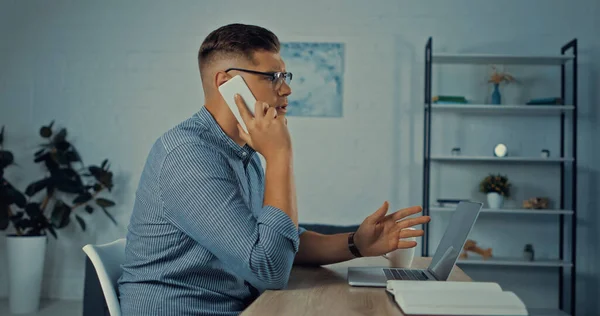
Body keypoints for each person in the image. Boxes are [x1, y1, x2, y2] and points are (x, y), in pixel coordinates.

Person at [117, 23, 430, 316]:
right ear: (226, 83)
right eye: (272, 77)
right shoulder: (188, 156)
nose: (286, 90)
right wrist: (281, 155)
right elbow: (268, 268)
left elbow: (279, 240)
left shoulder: (244, 151)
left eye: (285, 77)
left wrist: (356, 244)